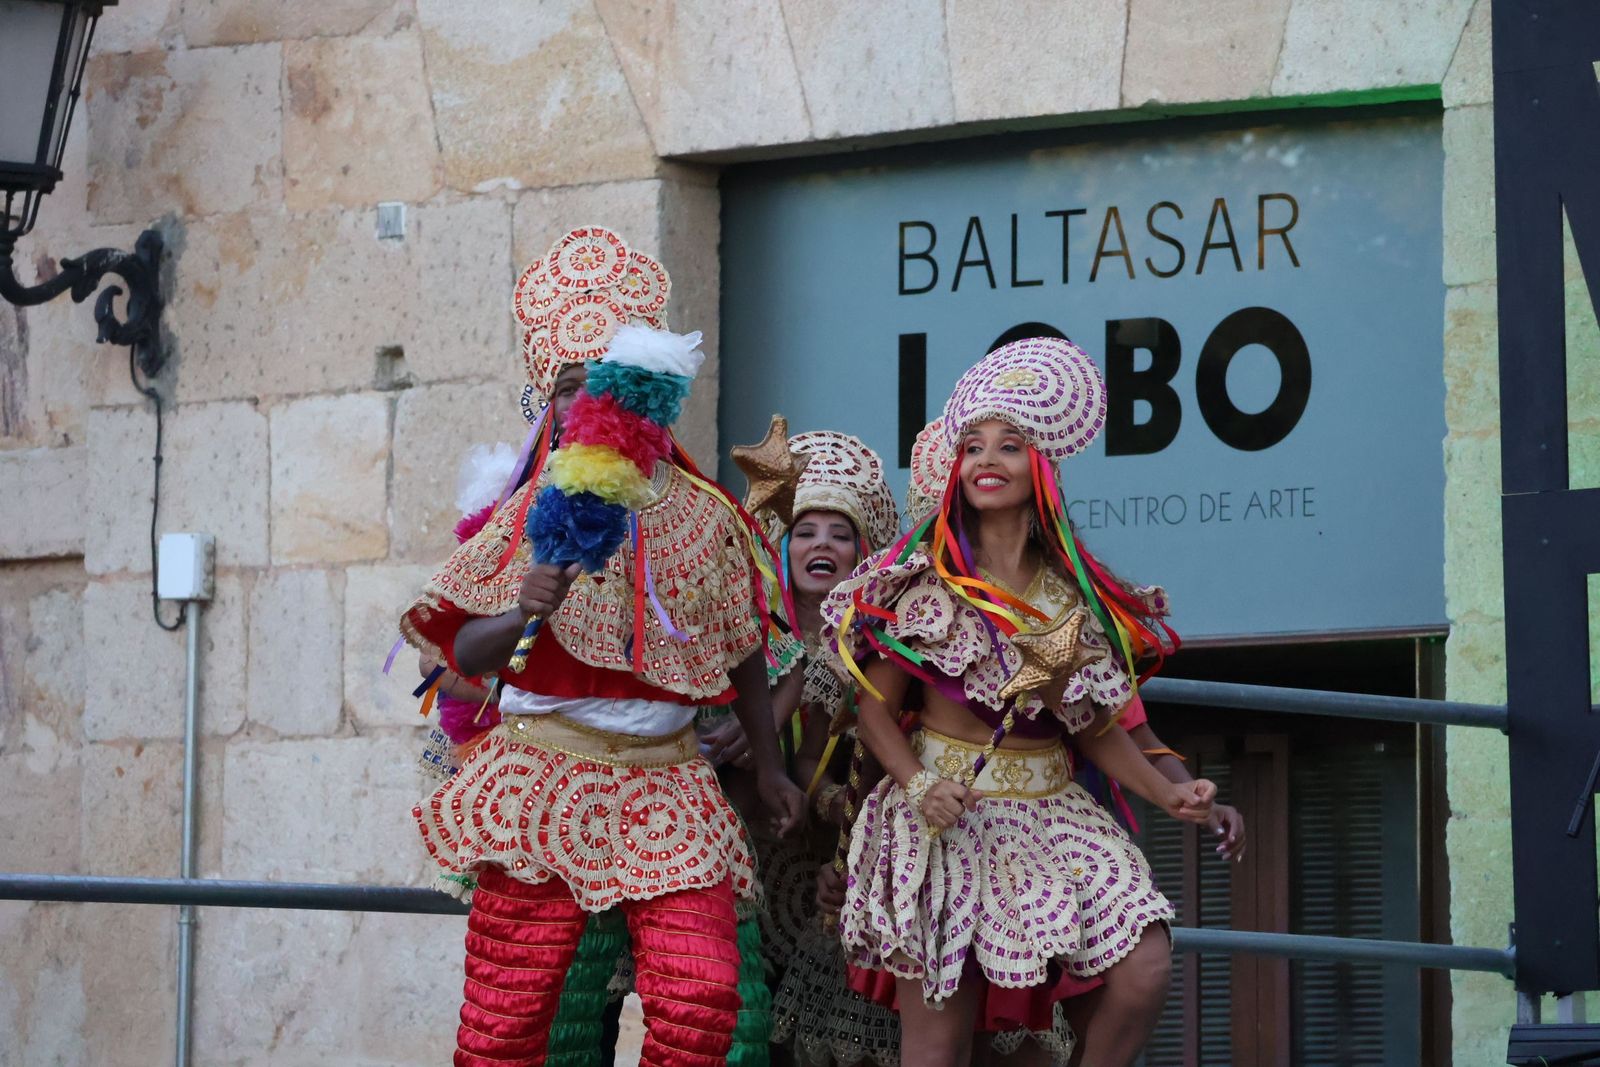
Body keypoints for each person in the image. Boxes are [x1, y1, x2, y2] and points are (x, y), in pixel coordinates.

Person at [399, 225, 804, 1067]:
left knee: (702, 1003)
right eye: (568, 388)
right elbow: (464, 648)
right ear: (548, 405)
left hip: (669, 778)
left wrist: (768, 767)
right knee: (508, 1024)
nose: (587, 405)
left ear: (646, 395)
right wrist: (523, 606)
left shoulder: (708, 514)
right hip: (543, 771)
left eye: (606, 386)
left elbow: (742, 647)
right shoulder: (526, 512)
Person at [823, 337, 1215, 1067]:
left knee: (1145, 967)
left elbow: (1093, 726)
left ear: (1041, 467)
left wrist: (1170, 793)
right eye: (973, 446)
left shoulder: (1074, 596)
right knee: (938, 1048)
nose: (988, 459)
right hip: (946, 814)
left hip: (1056, 815)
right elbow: (872, 711)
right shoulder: (923, 581)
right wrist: (918, 783)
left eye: (1009, 445)